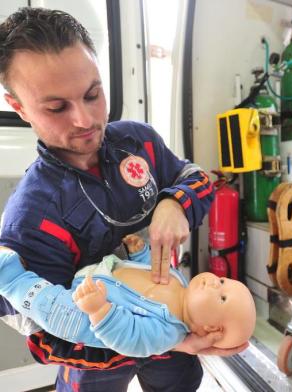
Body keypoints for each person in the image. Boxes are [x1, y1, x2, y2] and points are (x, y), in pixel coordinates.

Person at [0, 7, 246, 392]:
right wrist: (161, 341)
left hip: (174, 323)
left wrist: (175, 202)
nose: (85, 120)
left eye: (93, 94)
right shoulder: (31, 216)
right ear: (19, 108)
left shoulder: (139, 141)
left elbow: (195, 177)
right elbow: (44, 333)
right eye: (56, 108)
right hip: (97, 359)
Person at [0, 235, 256, 357]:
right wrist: (140, 253)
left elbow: (127, 337)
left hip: (84, 315)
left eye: (221, 296)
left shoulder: (167, 334)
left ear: (210, 327)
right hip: (98, 274)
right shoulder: (180, 280)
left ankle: (10, 276)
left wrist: (98, 310)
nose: (214, 282)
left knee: (51, 308)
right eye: (223, 280)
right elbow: (152, 270)